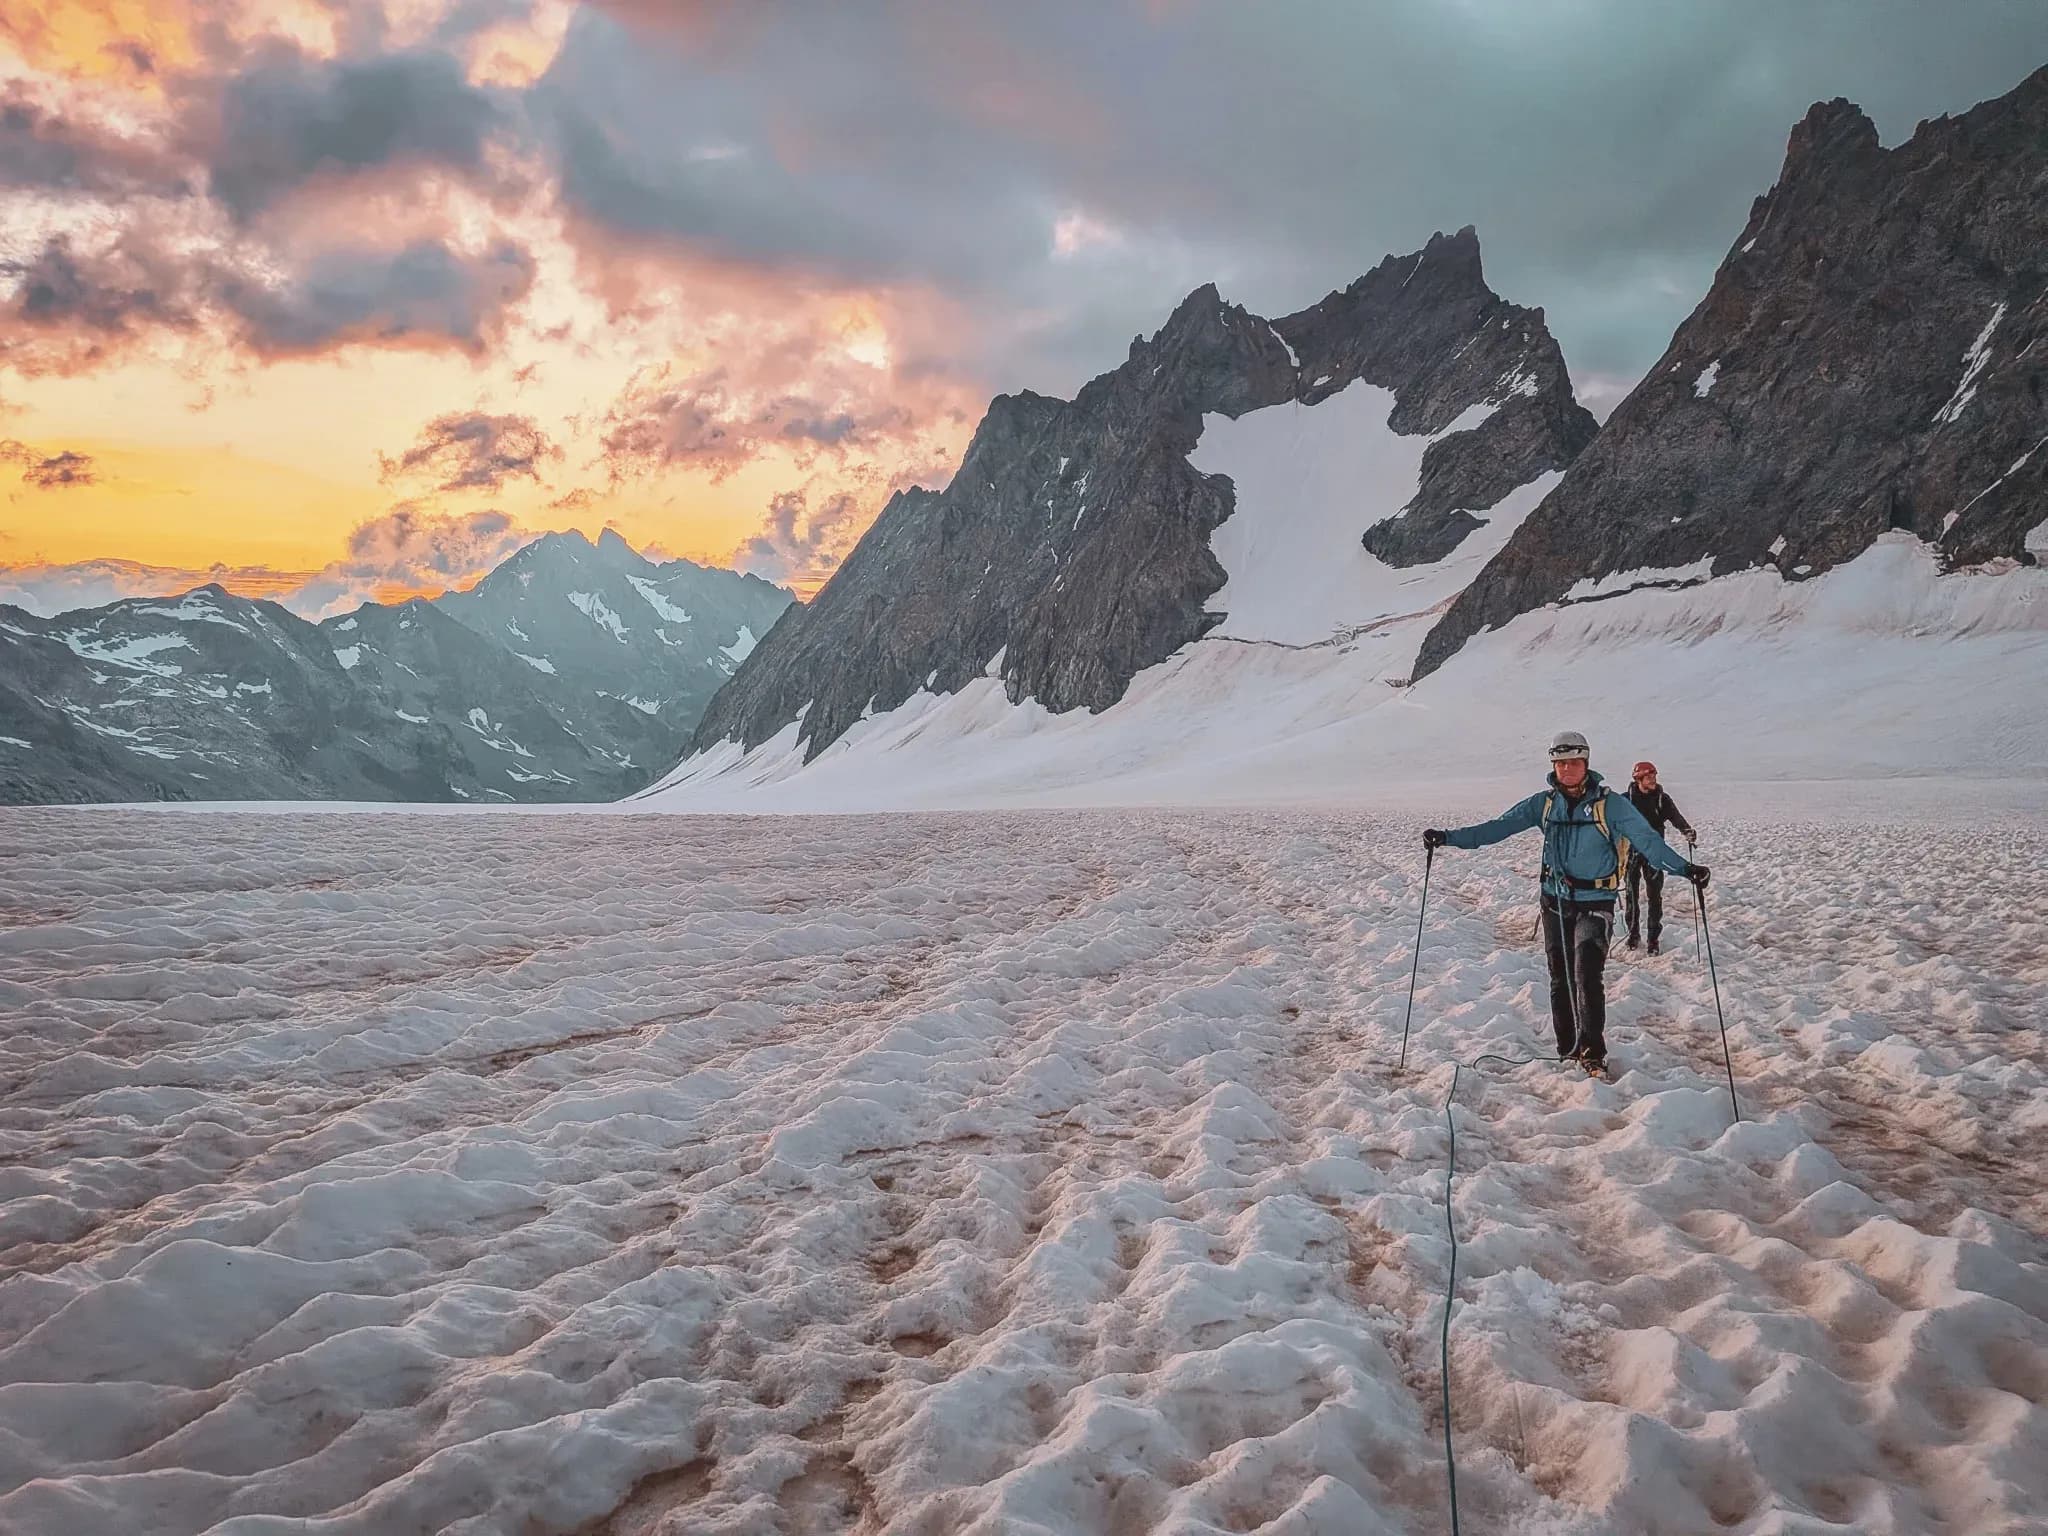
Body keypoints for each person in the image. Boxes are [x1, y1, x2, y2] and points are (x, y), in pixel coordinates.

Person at [1422, 730, 1708, 1077]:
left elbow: (1648, 842)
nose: (1567, 769)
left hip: (1596, 900)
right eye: (1560, 763)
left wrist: (1685, 869)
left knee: (1586, 973)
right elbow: (1496, 829)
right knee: (1560, 978)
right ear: (1554, 765)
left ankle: (1592, 1053)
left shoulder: (1611, 805)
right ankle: (1566, 1050)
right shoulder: (1543, 804)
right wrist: (1448, 838)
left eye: (1573, 762)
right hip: (1554, 901)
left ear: (1586, 764)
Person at [1624, 760, 1695, 954]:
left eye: (1654, 776)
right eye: (1649, 777)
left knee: (1655, 896)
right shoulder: (1627, 800)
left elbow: (1675, 817)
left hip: (1655, 854)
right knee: (1631, 894)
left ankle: (1653, 939)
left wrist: (1686, 830)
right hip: (1632, 853)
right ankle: (1633, 934)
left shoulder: (1662, 799)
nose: (1653, 779)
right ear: (1639, 779)